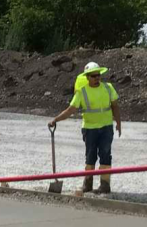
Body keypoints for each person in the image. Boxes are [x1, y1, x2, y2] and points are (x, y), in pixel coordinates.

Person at [48, 61, 122, 194]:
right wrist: (56, 119)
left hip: (106, 128)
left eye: (98, 75)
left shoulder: (108, 88)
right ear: (87, 77)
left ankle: (105, 185)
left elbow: (115, 106)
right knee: (90, 156)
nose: (96, 78)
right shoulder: (82, 92)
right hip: (89, 129)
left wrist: (118, 123)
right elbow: (71, 110)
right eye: (93, 76)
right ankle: (87, 184)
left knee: (105, 155)